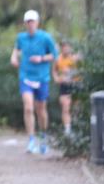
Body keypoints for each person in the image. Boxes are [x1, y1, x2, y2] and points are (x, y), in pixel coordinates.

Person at [9, 10, 57, 155]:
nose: (30, 24)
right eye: (28, 22)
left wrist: (41, 58)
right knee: (28, 107)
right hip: (25, 76)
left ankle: (43, 136)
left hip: (42, 78)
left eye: (33, 21)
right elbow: (16, 49)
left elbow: (54, 55)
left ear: (37, 22)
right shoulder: (21, 37)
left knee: (41, 109)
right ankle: (31, 140)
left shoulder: (45, 37)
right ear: (25, 23)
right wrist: (13, 58)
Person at [52, 40, 82, 135]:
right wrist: (56, 78)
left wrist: (71, 72)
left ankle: (77, 127)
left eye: (67, 46)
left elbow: (82, 70)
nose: (66, 49)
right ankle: (67, 130)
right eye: (64, 47)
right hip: (64, 85)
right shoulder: (58, 59)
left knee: (77, 108)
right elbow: (54, 70)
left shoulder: (75, 58)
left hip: (76, 85)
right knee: (65, 107)